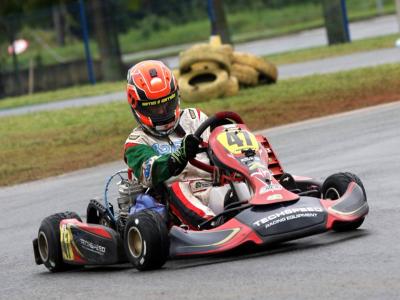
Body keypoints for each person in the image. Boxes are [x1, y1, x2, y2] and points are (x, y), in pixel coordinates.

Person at [124, 60, 215, 229]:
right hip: (173, 205)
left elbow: (222, 143)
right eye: (153, 108)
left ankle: (271, 195)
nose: (162, 112)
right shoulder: (136, 142)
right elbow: (149, 171)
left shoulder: (195, 118)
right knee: (177, 189)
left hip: (214, 186)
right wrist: (178, 157)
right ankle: (211, 225)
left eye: (167, 103)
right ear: (137, 106)